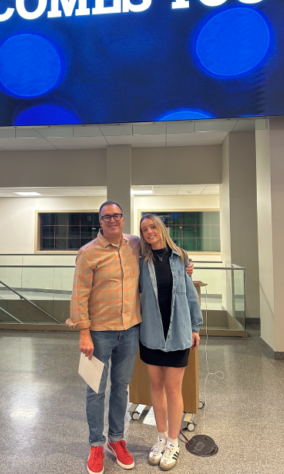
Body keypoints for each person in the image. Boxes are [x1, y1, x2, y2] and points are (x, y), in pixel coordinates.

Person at [69, 202, 193, 474]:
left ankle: (116, 440)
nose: (112, 220)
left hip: (130, 331)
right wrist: (83, 332)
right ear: (99, 221)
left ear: (123, 219)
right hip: (97, 334)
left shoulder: (135, 244)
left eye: (116, 215)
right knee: (94, 390)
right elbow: (78, 296)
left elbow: (165, 252)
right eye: (106, 217)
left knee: (120, 388)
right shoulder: (87, 253)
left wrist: (186, 262)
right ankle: (96, 445)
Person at [139, 214, 203, 471]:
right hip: (152, 333)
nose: (149, 231)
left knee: (174, 390)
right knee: (156, 386)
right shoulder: (140, 260)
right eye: (144, 229)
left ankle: (174, 443)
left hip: (177, 332)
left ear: (161, 228)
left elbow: (189, 294)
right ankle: (161, 439)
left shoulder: (180, 257)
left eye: (153, 226)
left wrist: (195, 326)